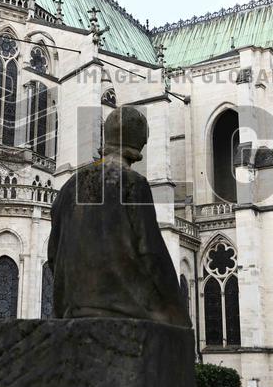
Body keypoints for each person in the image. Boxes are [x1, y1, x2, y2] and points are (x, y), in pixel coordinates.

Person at [47, 105, 189, 328]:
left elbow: (53, 256)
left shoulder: (68, 188)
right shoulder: (133, 183)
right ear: (138, 144)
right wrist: (179, 313)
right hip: (120, 313)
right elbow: (152, 254)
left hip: (71, 312)